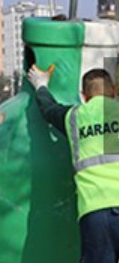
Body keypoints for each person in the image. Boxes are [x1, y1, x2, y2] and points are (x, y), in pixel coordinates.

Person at [27, 64, 119, 263]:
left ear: (84, 96)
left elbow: (49, 109)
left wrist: (40, 85)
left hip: (95, 211)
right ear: (113, 91)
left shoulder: (74, 117)